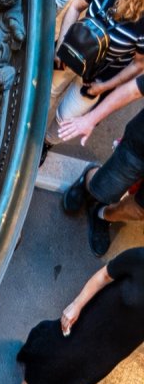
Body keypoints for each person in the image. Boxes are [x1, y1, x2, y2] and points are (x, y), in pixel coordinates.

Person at [18, 249, 144, 384]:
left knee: (81, 378)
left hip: (115, 348)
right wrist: (76, 305)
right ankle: (32, 359)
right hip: (93, 320)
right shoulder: (140, 259)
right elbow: (104, 276)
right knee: (59, 349)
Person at [55, 49, 144, 256]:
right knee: (103, 188)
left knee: (138, 210)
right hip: (140, 149)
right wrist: (90, 119)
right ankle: (88, 182)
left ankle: (101, 214)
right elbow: (135, 89)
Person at [50, 0, 144, 126]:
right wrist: (61, 47)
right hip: (71, 54)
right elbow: (75, 7)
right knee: (47, 94)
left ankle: (47, 142)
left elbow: (138, 65)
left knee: (66, 121)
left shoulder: (142, 26)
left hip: (98, 78)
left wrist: (104, 86)